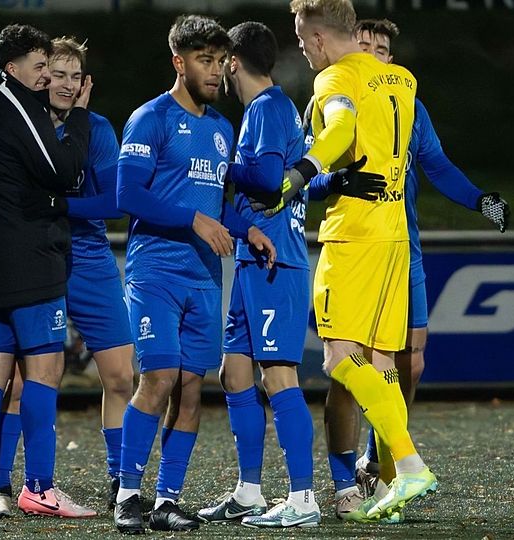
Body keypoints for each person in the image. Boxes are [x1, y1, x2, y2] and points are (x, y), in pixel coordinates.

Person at [256, 0, 438, 523]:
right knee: (381, 365)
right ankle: (391, 489)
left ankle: (407, 465)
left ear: (316, 38)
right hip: (395, 235)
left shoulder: (334, 78)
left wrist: (299, 174)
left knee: (339, 360)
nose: (301, 48)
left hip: (353, 236)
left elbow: (338, 127)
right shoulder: (401, 78)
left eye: (300, 37)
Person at [111, 14, 276, 534]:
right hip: (155, 271)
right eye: (205, 61)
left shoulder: (223, 129)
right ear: (178, 62)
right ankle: (127, 494)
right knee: (157, 378)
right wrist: (193, 219)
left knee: (188, 389)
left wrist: (245, 228)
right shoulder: (150, 118)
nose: (216, 72)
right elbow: (127, 195)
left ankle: (166, 501)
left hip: (204, 277)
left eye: (221, 62)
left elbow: (215, 206)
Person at [347, 18, 511, 513]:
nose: (376, 54)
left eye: (383, 48)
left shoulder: (410, 106)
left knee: (410, 365)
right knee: (356, 362)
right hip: (362, 249)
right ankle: (352, 473)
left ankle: (384, 463)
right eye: (366, 46)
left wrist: (480, 201)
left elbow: (436, 164)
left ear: (392, 59)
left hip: (405, 248)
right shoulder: (339, 100)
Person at [0, 36, 135, 518]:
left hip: (87, 259)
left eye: (73, 76)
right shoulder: (23, 125)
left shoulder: (99, 129)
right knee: (23, 381)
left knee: (122, 375)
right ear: (41, 78)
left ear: (86, 83)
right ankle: (0, 484)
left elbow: (114, 201)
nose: (63, 84)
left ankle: (120, 481)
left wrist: (59, 204)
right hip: (36, 259)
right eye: (55, 74)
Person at [0, 23, 95, 519]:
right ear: (13, 69)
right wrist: (81, 119)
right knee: (44, 372)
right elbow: (66, 171)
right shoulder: (19, 106)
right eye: (39, 66)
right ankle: (40, 488)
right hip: (26, 262)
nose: (47, 75)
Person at [194, 21, 321, 529]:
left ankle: (304, 498)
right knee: (234, 371)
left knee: (279, 375)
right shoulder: (267, 111)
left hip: (276, 262)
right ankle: (249, 490)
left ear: (231, 62)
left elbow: (269, 179)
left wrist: (221, 165)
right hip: (255, 261)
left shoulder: (267, 109)